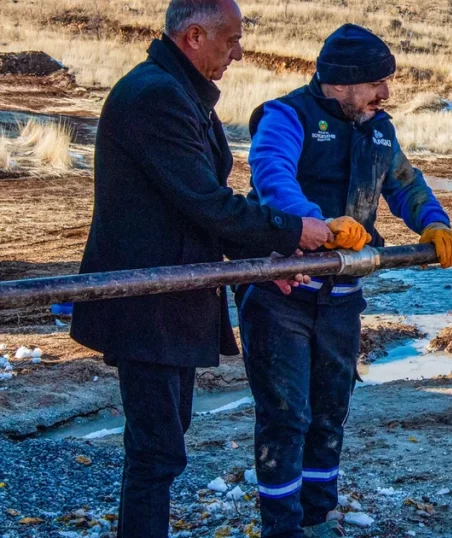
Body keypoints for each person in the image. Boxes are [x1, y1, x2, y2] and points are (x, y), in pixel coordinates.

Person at [70, 1, 333, 536]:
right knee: (155, 453)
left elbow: (196, 206)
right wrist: (291, 231)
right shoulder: (156, 97)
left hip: (173, 296)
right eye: (231, 40)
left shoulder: (177, 91)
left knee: (162, 444)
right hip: (148, 302)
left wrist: (259, 265)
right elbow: (206, 202)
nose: (239, 52)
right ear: (194, 35)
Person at [237, 24, 452, 537]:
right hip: (281, 293)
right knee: (285, 414)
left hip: (342, 299)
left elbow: (404, 183)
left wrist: (434, 222)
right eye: (378, 82)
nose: (386, 93)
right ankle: (282, 526)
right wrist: (317, 226)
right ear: (344, 80)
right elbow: (271, 176)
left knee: (330, 411)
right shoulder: (286, 116)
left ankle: (318, 515)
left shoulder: (378, 127)